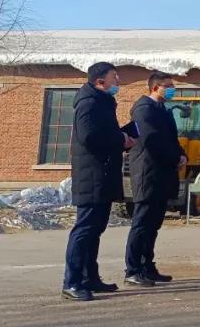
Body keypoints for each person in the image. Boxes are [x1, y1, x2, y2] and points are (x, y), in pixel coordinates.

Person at [62, 62, 135, 302]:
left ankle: (89, 277)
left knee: (95, 230)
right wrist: (120, 138)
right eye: (114, 77)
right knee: (84, 230)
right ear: (100, 81)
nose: (118, 81)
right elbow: (89, 136)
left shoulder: (103, 102)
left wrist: (123, 137)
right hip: (91, 176)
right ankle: (72, 282)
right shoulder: (88, 103)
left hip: (103, 176)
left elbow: (102, 134)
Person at [123, 71, 187, 287]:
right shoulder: (144, 109)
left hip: (162, 174)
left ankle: (147, 266)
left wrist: (181, 154)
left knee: (153, 224)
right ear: (155, 87)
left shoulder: (162, 110)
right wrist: (173, 157)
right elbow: (152, 140)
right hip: (148, 173)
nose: (172, 89)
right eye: (168, 86)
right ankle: (133, 269)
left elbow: (171, 138)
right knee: (142, 223)